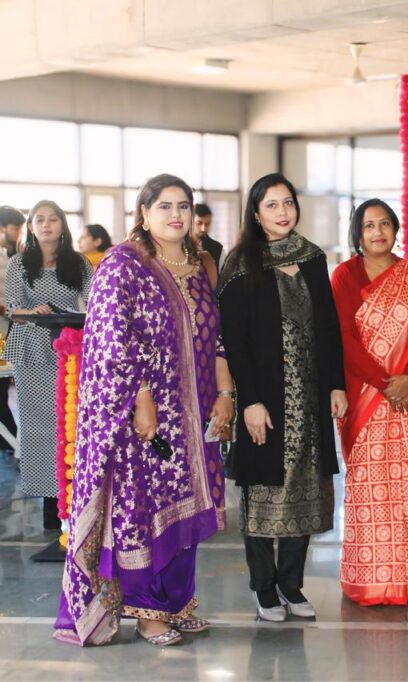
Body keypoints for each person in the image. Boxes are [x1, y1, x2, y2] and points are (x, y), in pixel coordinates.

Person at [54, 174, 233, 646]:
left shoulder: (200, 264)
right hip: (144, 416)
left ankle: (177, 602)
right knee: (144, 509)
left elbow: (216, 336)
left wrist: (225, 392)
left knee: (186, 510)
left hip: (194, 413)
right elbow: (113, 339)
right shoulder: (124, 264)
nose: (176, 215)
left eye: (184, 206)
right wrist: (142, 399)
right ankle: (147, 611)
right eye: (164, 206)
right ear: (144, 213)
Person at [219, 173, 347, 622]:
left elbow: (328, 326)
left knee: (306, 491)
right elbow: (234, 340)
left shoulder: (311, 257)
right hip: (266, 399)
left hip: (309, 400)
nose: (282, 212)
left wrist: (336, 384)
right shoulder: (241, 264)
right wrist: (249, 401)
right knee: (262, 493)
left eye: (288, 202)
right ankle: (264, 588)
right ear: (256, 214)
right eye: (271, 205)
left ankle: (292, 585)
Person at [331, 198, 408, 606]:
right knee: (367, 490)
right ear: (357, 233)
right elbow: (343, 338)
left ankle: (403, 579)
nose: (377, 232)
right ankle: (367, 581)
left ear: (396, 229)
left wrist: (407, 378)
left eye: (384, 224)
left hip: (407, 398)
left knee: (405, 490)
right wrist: (383, 382)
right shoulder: (345, 275)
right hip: (364, 397)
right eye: (369, 226)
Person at [2, 201, 92, 532]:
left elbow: (94, 301)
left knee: (73, 422)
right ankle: (50, 504)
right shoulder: (19, 262)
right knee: (39, 427)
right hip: (32, 349)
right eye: (39, 220)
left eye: (53, 219)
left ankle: (78, 499)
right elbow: (13, 308)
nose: (46, 225)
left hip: (71, 347)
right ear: (31, 226)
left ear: (62, 225)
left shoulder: (79, 263)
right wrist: (32, 311)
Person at [0, 205, 25, 455]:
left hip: (11, 333)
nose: (19, 232)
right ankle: (14, 447)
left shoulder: (19, 258)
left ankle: (14, 447)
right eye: (15, 227)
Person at [193, 203, 223, 269]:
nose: (203, 228)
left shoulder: (217, 248)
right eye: (199, 223)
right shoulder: (178, 246)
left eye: (207, 224)